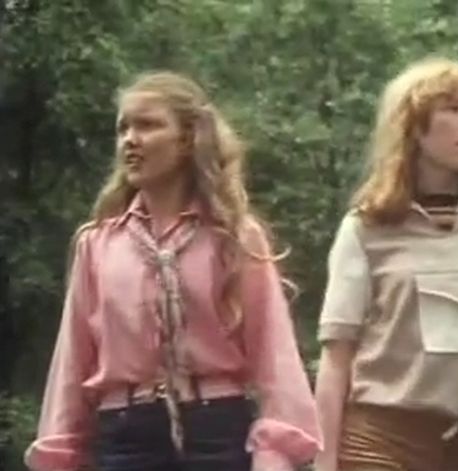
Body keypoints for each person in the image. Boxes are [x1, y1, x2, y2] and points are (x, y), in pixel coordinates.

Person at [25, 71, 321, 471]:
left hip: (218, 429)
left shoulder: (233, 237)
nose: (130, 139)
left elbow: (274, 352)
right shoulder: (98, 244)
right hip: (125, 435)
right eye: (123, 128)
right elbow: (72, 361)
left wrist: (275, 454)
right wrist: (60, 454)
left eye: (147, 125)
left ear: (187, 139)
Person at [314, 57, 458, 471]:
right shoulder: (368, 228)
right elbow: (337, 355)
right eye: (453, 109)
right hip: (381, 444)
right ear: (413, 127)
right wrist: (323, 463)